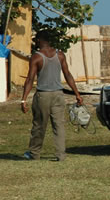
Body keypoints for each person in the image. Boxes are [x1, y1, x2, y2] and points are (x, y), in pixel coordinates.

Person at [21, 29, 82, 161]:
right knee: (59, 125)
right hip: (58, 95)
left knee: (39, 125)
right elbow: (68, 75)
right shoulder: (60, 55)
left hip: (43, 95)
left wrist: (23, 100)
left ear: (39, 40)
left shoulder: (36, 57)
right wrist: (77, 94)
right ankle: (61, 155)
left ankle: (34, 153)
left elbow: (30, 79)